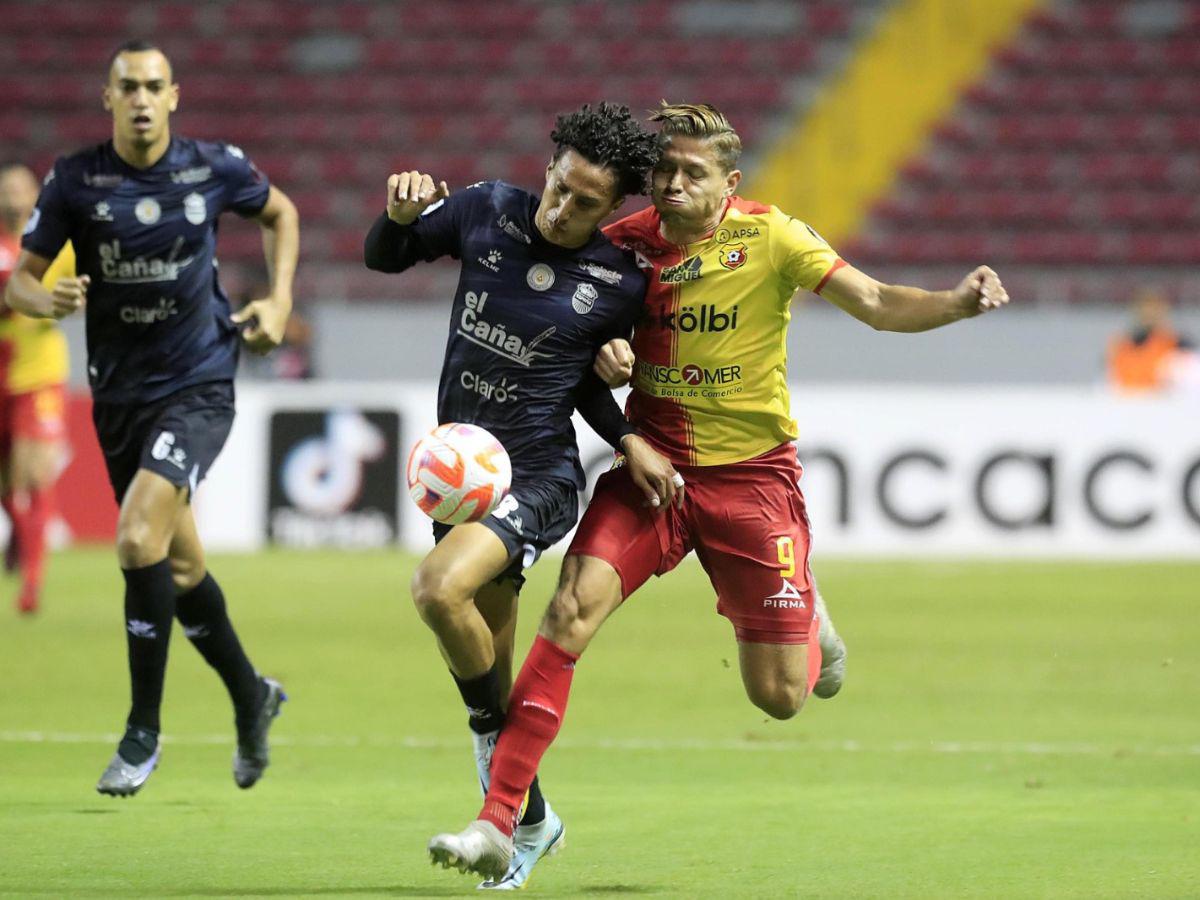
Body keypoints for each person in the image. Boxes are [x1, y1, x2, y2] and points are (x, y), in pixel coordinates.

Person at [428, 102, 1011, 880]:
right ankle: (501, 823)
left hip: (750, 483)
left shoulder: (774, 237)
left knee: (780, 698)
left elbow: (873, 302)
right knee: (569, 609)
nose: (670, 184)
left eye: (691, 173)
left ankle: (808, 609)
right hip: (654, 474)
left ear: (729, 183)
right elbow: (576, 311)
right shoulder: (620, 247)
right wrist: (604, 348)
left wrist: (956, 303)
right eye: (663, 169)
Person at [364, 102, 678, 890]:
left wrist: (625, 411)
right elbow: (384, 258)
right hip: (462, 479)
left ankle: (486, 770)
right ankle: (529, 823)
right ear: (548, 170)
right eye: (559, 187)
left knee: (438, 592)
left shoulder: (619, 283)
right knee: (490, 669)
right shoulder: (485, 210)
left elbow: (593, 379)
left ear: (613, 213)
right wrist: (397, 219)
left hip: (536, 476)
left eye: (584, 203)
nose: (562, 208)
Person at [3, 40, 299, 796]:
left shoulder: (212, 166)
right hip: (120, 395)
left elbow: (281, 213)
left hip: (200, 381)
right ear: (108, 98)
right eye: (127, 86)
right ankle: (250, 696)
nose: (140, 98)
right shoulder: (75, 180)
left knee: (137, 538)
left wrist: (280, 297)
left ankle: (142, 732)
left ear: (174, 96)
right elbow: (22, 286)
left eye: (154, 86)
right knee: (179, 563)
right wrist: (49, 301)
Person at [0, 162, 71, 614]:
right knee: (8, 485)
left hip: (39, 375)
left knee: (33, 476)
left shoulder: (55, 246)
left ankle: (32, 582)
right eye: (5, 190)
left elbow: (80, 291)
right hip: (2, 377)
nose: (12, 198)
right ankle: (21, 537)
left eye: (19, 189)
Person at [1107, 288, 1196, 394]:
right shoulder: (1122, 345)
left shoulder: (1179, 345)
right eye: (1145, 310)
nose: (1150, 314)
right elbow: (1116, 379)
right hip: (1132, 401)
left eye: (1155, 309)